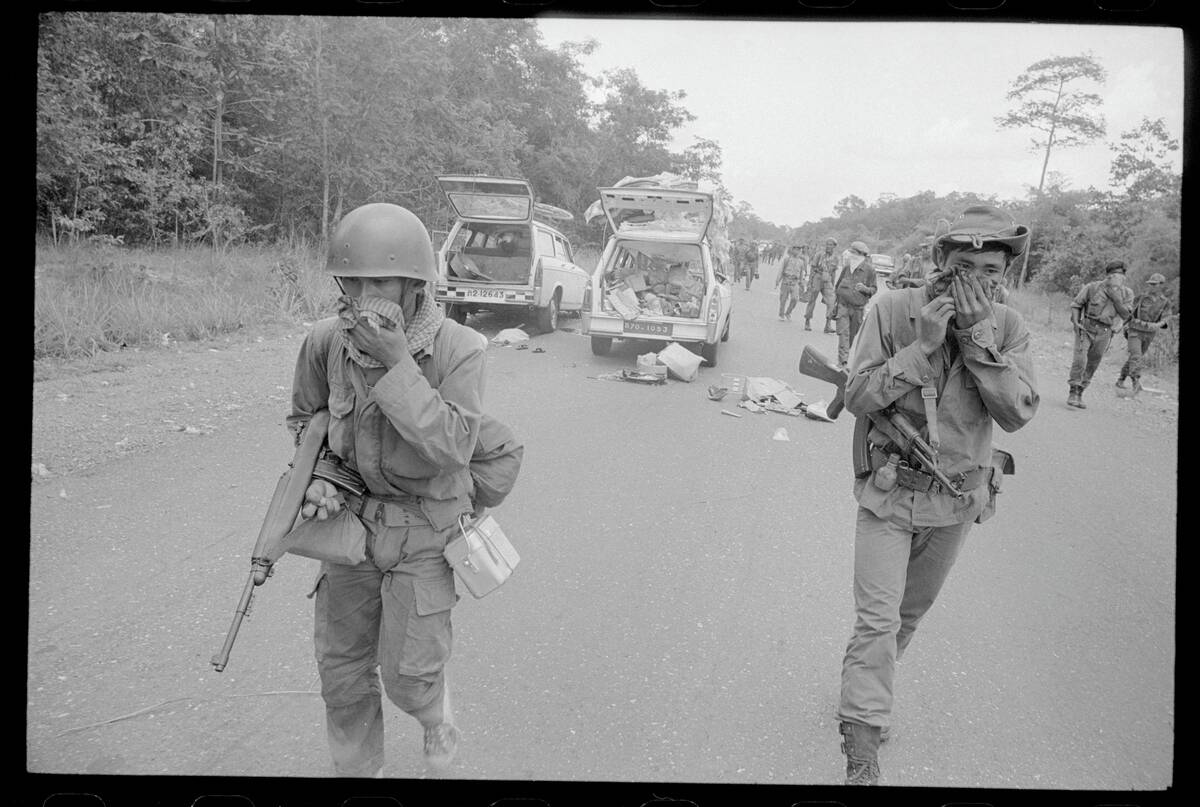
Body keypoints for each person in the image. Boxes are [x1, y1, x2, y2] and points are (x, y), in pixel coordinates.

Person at [288, 202, 493, 777]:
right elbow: (306, 420)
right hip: (349, 527)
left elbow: (453, 446)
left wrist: (397, 362)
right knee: (342, 669)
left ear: (413, 285)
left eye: (378, 281)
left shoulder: (459, 349)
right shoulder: (326, 341)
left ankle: (435, 717)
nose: (361, 295)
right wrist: (323, 475)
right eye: (351, 282)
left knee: (410, 673)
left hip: (426, 530)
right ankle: (358, 772)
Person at [836, 204, 1039, 786]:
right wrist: (922, 347)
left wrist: (977, 342)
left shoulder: (1008, 327)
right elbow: (858, 396)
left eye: (991, 270)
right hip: (889, 494)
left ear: (1005, 275)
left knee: (907, 616)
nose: (976, 279)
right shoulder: (893, 309)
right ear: (938, 263)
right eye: (963, 264)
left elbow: (1017, 412)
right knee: (875, 621)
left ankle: (869, 687)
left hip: (957, 501)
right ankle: (862, 745)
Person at [1067, 260, 1134, 409]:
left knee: (1092, 364)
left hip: (1105, 332)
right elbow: (1076, 305)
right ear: (1108, 275)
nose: (1119, 278)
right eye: (1115, 275)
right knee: (1080, 360)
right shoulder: (1092, 287)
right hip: (1086, 327)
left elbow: (1125, 315)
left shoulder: (1127, 293)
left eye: (1122, 275)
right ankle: (1073, 391)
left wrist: (1115, 297)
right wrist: (1076, 322)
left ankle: (1080, 392)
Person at [1116, 272, 1172, 395]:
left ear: (1161, 285)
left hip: (1149, 334)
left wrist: (1158, 325)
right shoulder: (1140, 298)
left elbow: (1166, 318)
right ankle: (1135, 382)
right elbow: (1128, 312)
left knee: (1135, 357)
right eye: (1150, 284)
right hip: (1135, 331)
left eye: (1154, 284)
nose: (1151, 286)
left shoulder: (1165, 302)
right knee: (1136, 356)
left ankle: (1121, 379)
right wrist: (1120, 326)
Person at [832, 240, 877, 368]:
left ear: (861, 255)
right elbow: (837, 286)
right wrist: (835, 305)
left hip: (858, 310)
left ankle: (843, 358)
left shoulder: (870, 271)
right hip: (843, 308)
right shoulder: (846, 268)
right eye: (851, 251)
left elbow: (874, 289)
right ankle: (843, 362)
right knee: (843, 335)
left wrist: (864, 289)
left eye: (853, 252)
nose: (851, 254)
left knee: (850, 337)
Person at [805, 237, 840, 332]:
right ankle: (807, 321)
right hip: (817, 277)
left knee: (832, 302)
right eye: (827, 244)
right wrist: (810, 282)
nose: (828, 246)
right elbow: (813, 268)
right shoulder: (819, 254)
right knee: (812, 300)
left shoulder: (836, 258)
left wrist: (833, 285)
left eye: (831, 244)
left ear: (834, 246)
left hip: (827, 280)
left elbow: (833, 272)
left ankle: (827, 325)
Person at [775, 244, 808, 320]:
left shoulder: (801, 262)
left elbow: (801, 273)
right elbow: (781, 270)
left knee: (795, 299)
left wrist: (802, 283)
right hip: (786, 281)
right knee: (783, 299)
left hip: (795, 282)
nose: (797, 251)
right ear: (792, 250)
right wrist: (777, 281)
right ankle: (781, 315)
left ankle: (788, 313)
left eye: (798, 250)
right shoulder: (786, 259)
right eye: (795, 249)